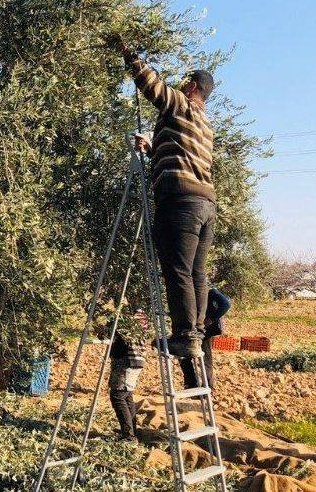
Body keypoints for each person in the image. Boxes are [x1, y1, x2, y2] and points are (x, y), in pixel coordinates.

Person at [108, 35, 217, 360]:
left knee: (178, 271)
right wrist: (154, 149)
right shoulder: (204, 124)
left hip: (181, 203)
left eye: (186, 81)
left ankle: (184, 336)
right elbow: (183, 156)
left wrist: (127, 52)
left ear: (194, 86)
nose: (181, 84)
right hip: (205, 205)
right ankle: (194, 334)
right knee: (196, 272)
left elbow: (152, 86)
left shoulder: (182, 105)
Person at [102, 310, 149, 441]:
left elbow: (111, 332)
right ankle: (131, 431)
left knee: (118, 395)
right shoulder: (142, 314)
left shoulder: (126, 314)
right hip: (137, 359)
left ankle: (129, 436)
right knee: (127, 395)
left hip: (126, 359)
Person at [180, 287, 231, 389]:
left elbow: (226, 304)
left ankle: (206, 386)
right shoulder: (190, 293)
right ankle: (193, 384)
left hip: (206, 329)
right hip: (195, 328)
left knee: (202, 356)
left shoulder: (211, 292)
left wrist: (211, 319)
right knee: (186, 354)